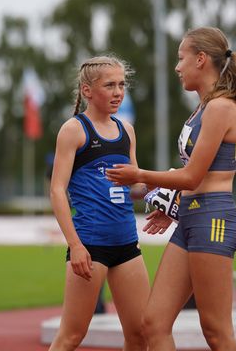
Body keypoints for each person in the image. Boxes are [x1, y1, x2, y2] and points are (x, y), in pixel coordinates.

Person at [107, 27, 236, 351]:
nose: (177, 67)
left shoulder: (220, 108)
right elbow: (192, 177)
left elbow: (192, 177)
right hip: (191, 219)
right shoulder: (203, 107)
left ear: (201, 60)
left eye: (180, 58)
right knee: (153, 324)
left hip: (213, 220)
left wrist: (139, 175)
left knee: (216, 331)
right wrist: (169, 202)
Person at [48, 55, 150, 351]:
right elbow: (57, 191)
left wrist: (164, 184)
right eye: (110, 85)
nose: (118, 92)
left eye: (121, 84)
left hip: (127, 244)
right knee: (72, 335)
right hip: (90, 247)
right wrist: (75, 245)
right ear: (87, 90)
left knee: (139, 333)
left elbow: (135, 187)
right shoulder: (74, 130)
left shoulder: (126, 131)